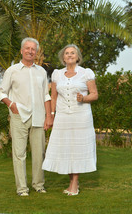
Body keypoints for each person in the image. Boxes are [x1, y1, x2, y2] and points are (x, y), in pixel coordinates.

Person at [0, 37, 52, 197]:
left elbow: (46, 95)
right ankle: (22, 188)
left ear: (36, 52)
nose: (30, 51)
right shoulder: (12, 70)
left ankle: (39, 184)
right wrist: (11, 104)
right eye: (27, 48)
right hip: (18, 117)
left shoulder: (41, 71)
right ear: (21, 50)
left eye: (33, 49)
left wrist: (49, 116)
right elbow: (1, 92)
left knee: (39, 153)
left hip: (38, 117)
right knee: (19, 154)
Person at [42, 44, 98, 196]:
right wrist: (51, 115)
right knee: (66, 149)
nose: (69, 55)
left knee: (78, 149)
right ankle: (72, 181)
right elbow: (54, 96)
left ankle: (74, 183)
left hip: (81, 117)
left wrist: (84, 98)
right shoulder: (57, 74)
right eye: (67, 53)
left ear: (78, 56)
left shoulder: (86, 73)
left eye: (72, 53)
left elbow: (94, 94)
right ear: (63, 57)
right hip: (62, 117)